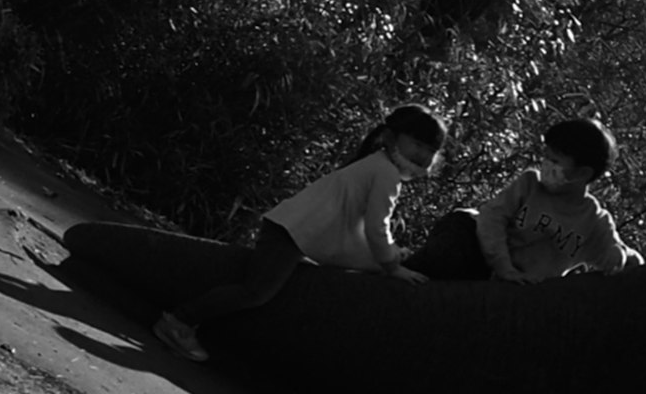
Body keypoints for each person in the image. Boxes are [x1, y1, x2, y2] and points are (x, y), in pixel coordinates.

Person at [153, 105, 443, 361]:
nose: (423, 155)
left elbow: (361, 231)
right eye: (417, 143)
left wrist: (389, 256)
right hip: (290, 234)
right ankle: (179, 320)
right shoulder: (387, 174)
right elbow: (376, 227)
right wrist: (392, 266)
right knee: (255, 293)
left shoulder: (378, 165)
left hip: (295, 233)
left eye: (430, 150)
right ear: (392, 138)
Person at [401, 115, 644, 283]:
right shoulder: (530, 185)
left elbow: (614, 254)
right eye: (547, 157)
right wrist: (504, 268)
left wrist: (624, 257)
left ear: (583, 174)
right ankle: (391, 272)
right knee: (446, 253)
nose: (547, 165)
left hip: (512, 283)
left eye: (556, 161)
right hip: (475, 243)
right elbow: (491, 218)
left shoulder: (593, 221)